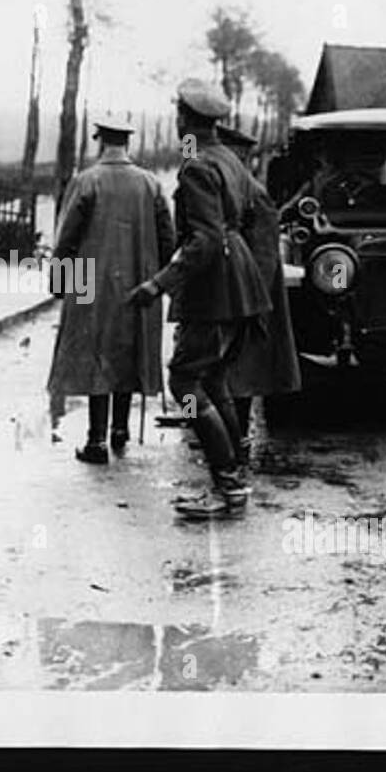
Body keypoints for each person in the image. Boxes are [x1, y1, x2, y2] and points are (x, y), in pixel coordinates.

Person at [128, 79, 268, 515]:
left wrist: (158, 284)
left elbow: (204, 240)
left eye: (178, 116)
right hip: (239, 281)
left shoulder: (196, 168)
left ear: (185, 120)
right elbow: (246, 216)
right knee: (213, 380)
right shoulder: (229, 158)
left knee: (185, 382)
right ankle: (232, 477)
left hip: (214, 289)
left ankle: (227, 486)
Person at [48, 116, 174, 463]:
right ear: (128, 144)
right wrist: (158, 276)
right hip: (139, 279)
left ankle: (95, 442)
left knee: (96, 355)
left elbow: (66, 239)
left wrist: (60, 284)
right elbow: (168, 238)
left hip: (91, 280)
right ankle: (120, 432)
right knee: (128, 352)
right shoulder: (150, 183)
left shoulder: (86, 181)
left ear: (100, 141)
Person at [217, 123, 302, 464]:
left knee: (242, 376)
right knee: (228, 373)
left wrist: (250, 307)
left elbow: (265, 259)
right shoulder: (230, 192)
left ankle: (237, 445)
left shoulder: (254, 195)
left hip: (250, 301)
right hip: (233, 297)